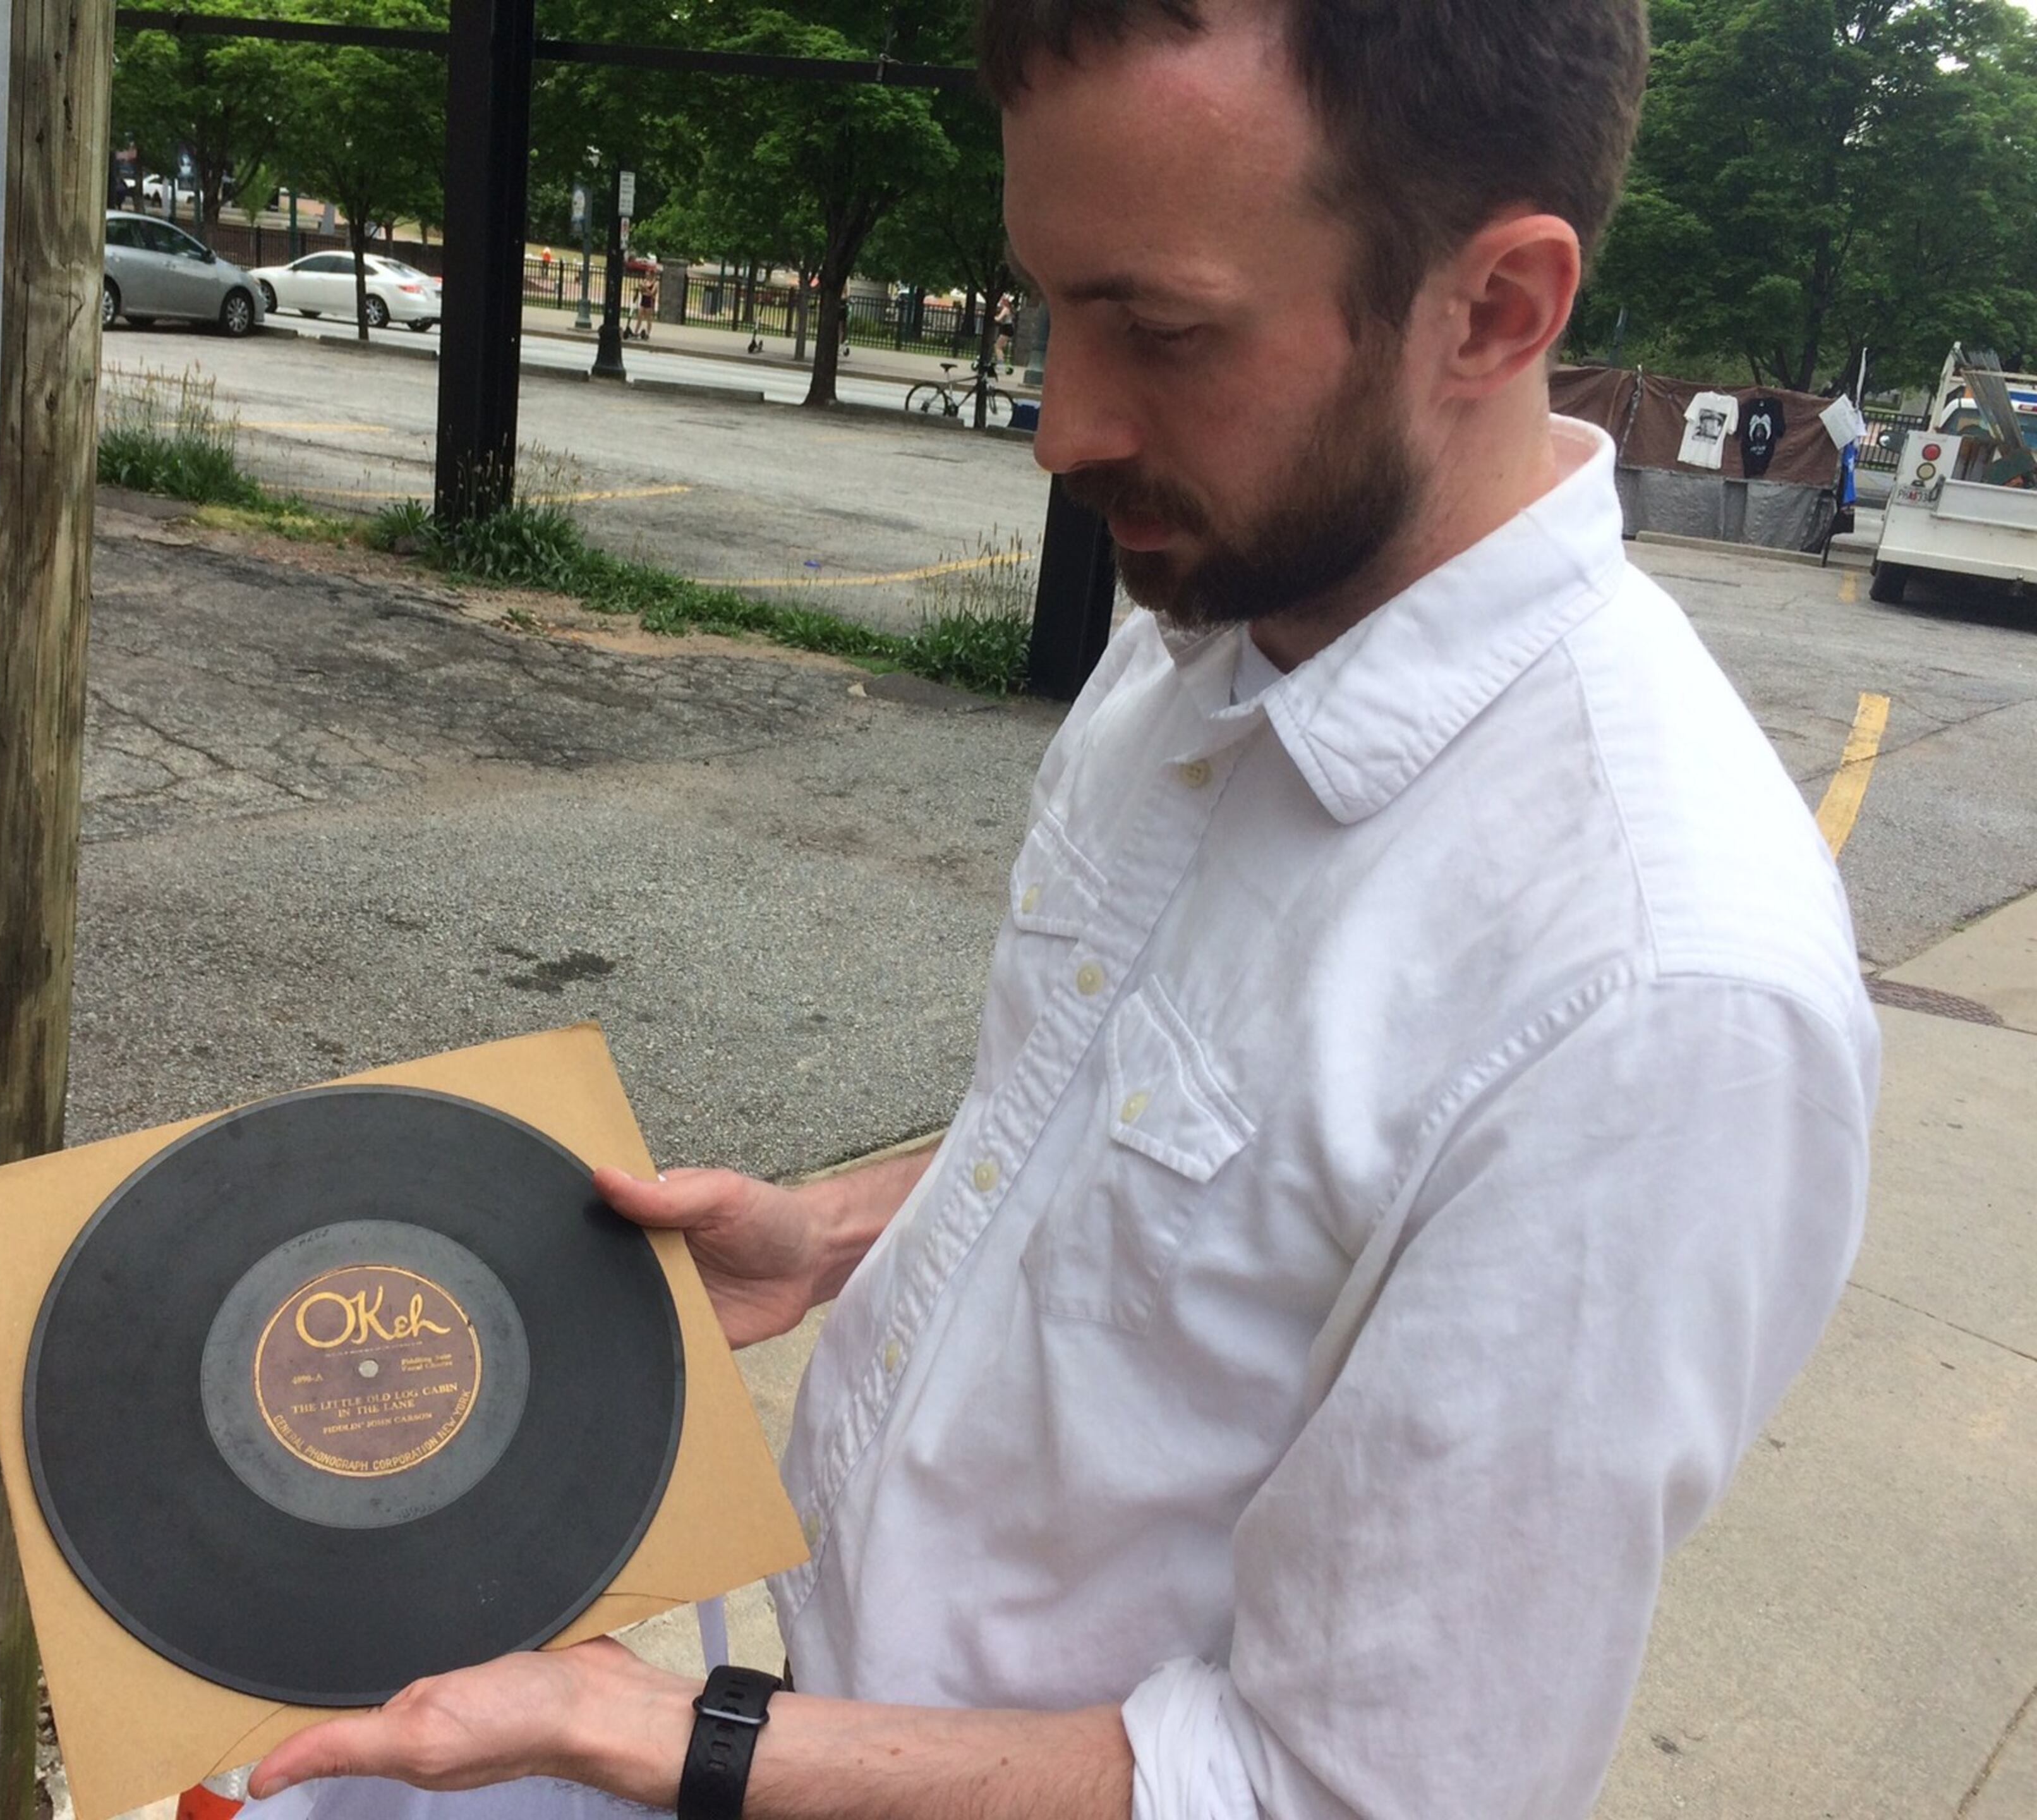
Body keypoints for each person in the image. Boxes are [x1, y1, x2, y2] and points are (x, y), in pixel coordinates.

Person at [248, 3, 1878, 1817]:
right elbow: (1192, 1142)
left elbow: (1342, 1792)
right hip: (847, 1727)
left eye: (1160, 332)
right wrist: (848, 1229)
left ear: (1496, 310)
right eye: (1048, 307)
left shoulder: (1655, 994)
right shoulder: (1215, 633)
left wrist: (668, 1743)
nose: (1061, 424)